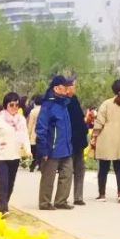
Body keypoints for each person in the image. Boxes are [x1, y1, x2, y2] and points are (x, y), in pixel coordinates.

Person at [0, 92, 31, 217]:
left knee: (10, 183)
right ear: (6, 105)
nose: (14, 107)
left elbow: (25, 137)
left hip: (15, 156)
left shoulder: (21, 120)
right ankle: (3, 208)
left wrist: (28, 151)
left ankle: (4, 203)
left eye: (17, 105)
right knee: (3, 182)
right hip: (1, 157)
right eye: (11, 105)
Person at [91, 79, 120, 203]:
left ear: (112, 90)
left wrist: (94, 136)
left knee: (103, 168)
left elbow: (99, 121)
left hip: (106, 139)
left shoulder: (106, 104)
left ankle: (102, 195)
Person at [36, 76, 74, 210]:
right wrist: (43, 149)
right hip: (51, 148)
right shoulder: (48, 105)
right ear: (56, 88)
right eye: (64, 88)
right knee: (48, 177)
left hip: (66, 148)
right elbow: (41, 129)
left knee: (67, 174)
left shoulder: (64, 105)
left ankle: (61, 201)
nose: (66, 91)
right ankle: (45, 202)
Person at [66, 77, 89, 206]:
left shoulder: (75, 100)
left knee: (80, 169)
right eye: (73, 86)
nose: (75, 88)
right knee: (68, 170)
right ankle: (63, 197)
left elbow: (80, 121)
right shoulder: (63, 102)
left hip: (78, 142)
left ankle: (78, 197)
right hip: (69, 142)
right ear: (68, 87)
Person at [27, 95, 43, 172]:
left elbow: (30, 124)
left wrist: (28, 135)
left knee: (34, 151)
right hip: (43, 133)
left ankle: (32, 166)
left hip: (34, 132)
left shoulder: (33, 111)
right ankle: (40, 165)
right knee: (41, 151)